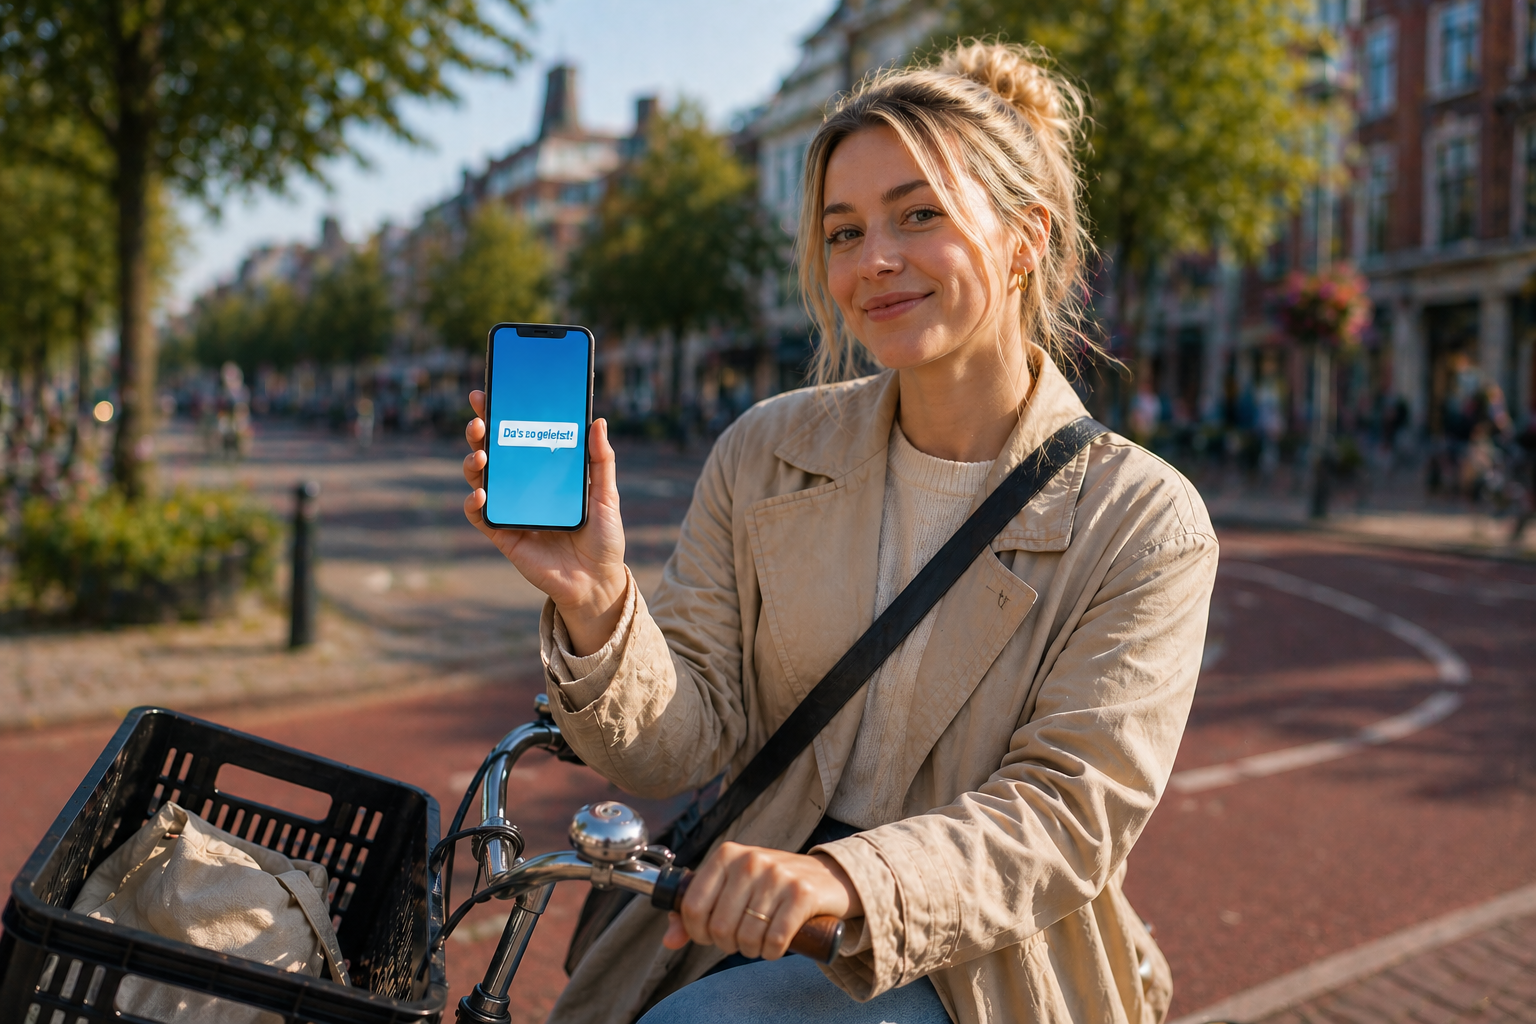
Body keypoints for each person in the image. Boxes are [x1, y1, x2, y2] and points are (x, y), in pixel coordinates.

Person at [462, 42, 1217, 1024]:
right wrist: (597, 601)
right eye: (844, 231)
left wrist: (844, 882)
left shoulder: (1141, 518)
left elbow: (1066, 813)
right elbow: (676, 744)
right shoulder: (764, 450)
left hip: (982, 965)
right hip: (732, 925)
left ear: (1026, 237)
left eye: (919, 215)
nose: (876, 261)